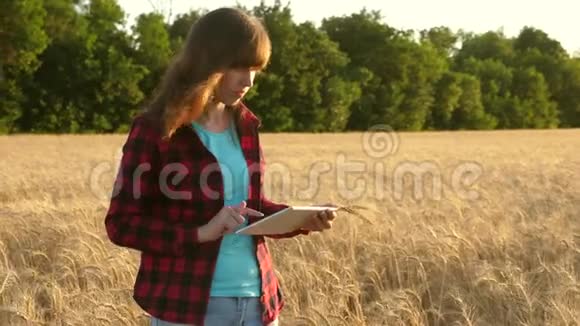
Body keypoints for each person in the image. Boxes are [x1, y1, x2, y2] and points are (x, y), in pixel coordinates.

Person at [103, 7, 338, 326]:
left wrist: (301, 218)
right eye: (238, 67)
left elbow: (249, 209)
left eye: (255, 68)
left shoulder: (245, 125)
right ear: (206, 62)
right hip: (188, 307)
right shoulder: (156, 129)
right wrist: (201, 233)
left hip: (259, 303)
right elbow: (122, 223)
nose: (249, 81)